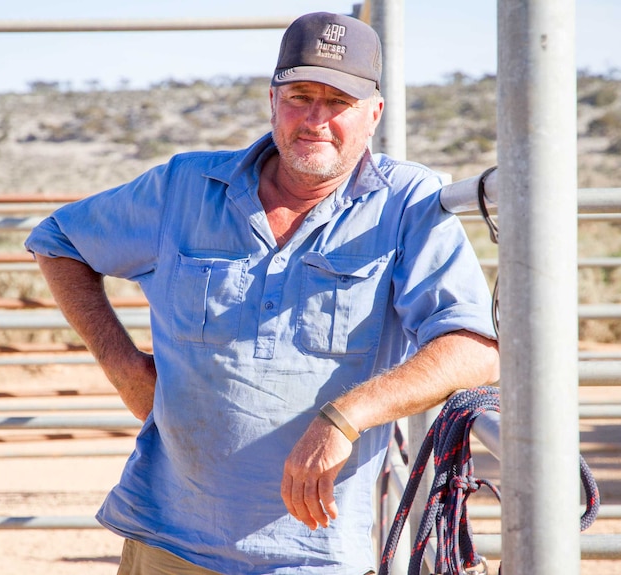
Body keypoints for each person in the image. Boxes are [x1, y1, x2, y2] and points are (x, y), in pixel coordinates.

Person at [25, 11, 499, 575]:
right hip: (166, 541)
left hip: (312, 556)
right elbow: (58, 241)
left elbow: (473, 346)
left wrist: (344, 417)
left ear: (373, 114)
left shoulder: (406, 201)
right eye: (300, 96)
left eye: (338, 103)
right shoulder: (185, 186)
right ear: (271, 100)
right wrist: (123, 367)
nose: (316, 119)